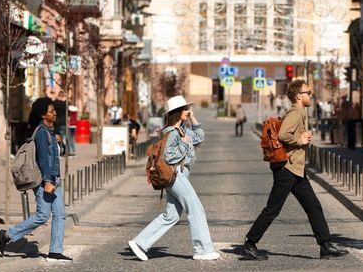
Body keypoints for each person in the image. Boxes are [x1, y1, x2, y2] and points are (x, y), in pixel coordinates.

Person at [242, 80, 348, 260]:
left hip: (296, 171)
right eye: (308, 92)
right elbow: (284, 134)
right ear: (299, 96)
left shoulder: (299, 112)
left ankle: (325, 245)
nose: (310, 95)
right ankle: (250, 243)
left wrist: (301, 137)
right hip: (287, 170)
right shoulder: (296, 112)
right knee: (272, 209)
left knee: (313, 206)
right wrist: (300, 140)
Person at [128, 95, 220, 261]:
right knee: (196, 208)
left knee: (172, 216)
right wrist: (184, 144)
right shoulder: (172, 133)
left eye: (188, 109)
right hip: (176, 174)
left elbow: (199, 137)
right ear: (177, 112)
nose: (188, 111)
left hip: (178, 175)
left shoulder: (182, 130)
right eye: (185, 109)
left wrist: (192, 117)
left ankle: (140, 243)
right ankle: (202, 250)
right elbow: (169, 157)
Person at [0, 98, 72, 262]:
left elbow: (55, 154)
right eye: (52, 111)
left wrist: (57, 140)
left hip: (54, 179)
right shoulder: (42, 133)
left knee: (60, 214)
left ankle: (55, 251)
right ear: (44, 115)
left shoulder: (49, 132)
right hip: (45, 181)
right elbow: (43, 159)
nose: (55, 113)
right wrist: (47, 181)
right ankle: (8, 234)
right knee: (42, 216)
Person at [53, 91, 67, 156]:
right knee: (63, 138)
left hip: (57, 123)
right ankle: (63, 150)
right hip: (63, 123)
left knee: (58, 138)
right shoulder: (64, 104)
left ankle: (60, 151)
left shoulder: (55, 103)